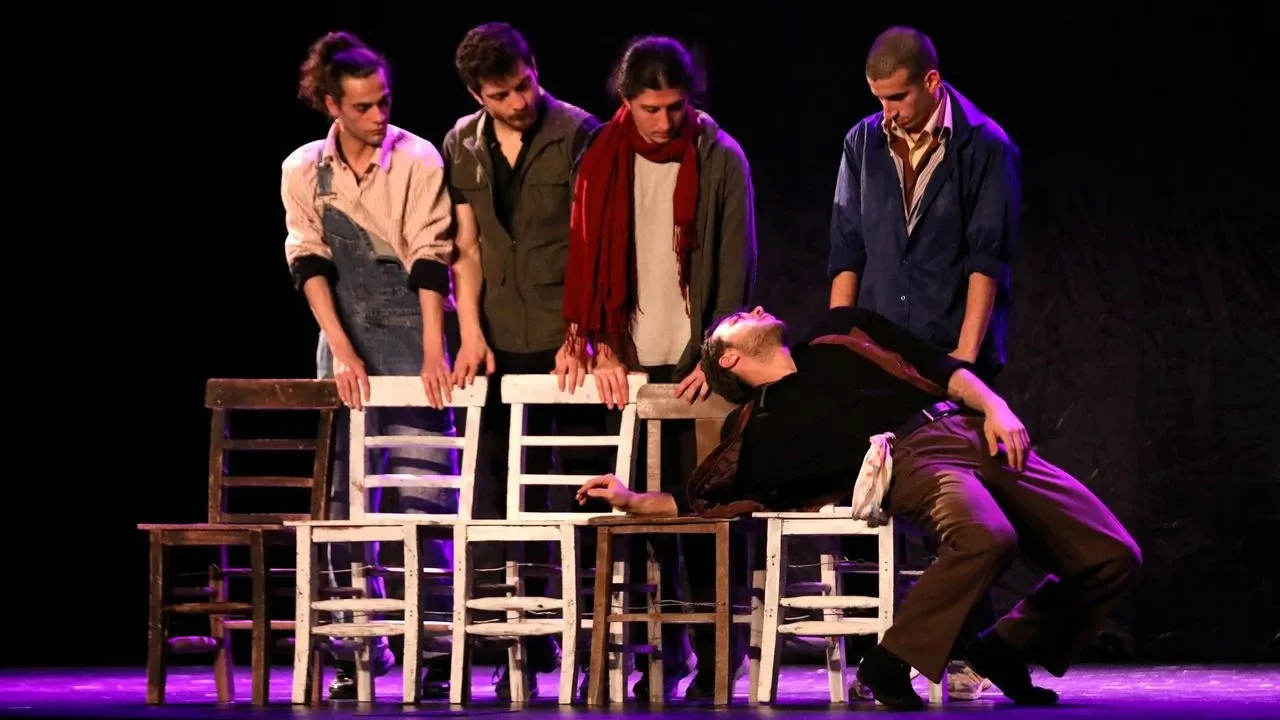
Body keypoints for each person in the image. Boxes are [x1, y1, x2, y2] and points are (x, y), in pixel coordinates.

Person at [575, 306, 1143, 711]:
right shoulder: (756, 435)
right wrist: (630, 497)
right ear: (729, 355)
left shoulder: (839, 331)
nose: (759, 307)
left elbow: (938, 366)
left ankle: (1005, 647)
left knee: (1112, 556)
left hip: (971, 428)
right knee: (985, 535)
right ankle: (889, 662)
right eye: (742, 315)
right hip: (907, 458)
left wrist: (995, 407)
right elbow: (699, 498)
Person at [281, 31, 484, 700]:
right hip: (343, 341)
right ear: (332, 106)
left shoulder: (417, 157)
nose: (378, 116)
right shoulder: (304, 169)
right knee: (345, 506)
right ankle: (356, 648)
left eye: (384, 102)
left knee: (424, 496)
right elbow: (309, 261)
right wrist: (340, 350)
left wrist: (432, 350)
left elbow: (430, 257)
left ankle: (435, 647)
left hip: (411, 333)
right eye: (363, 106)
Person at [827, 25, 1024, 697]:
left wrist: (963, 359)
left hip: (950, 349)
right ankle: (869, 655)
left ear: (931, 83)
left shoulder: (984, 145)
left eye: (898, 98)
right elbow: (847, 249)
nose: (888, 111)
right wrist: (838, 344)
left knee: (958, 503)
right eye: (879, 99)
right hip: (879, 350)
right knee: (868, 488)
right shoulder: (862, 143)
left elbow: (986, 258)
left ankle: (968, 653)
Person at [562, 34, 758, 700]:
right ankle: (662, 653)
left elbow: (735, 267)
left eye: (675, 106)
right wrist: (600, 345)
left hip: (697, 366)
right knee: (637, 521)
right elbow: (585, 254)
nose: (665, 121)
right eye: (651, 108)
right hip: (627, 365)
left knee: (701, 514)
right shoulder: (601, 156)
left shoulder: (719, 156)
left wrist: (715, 353)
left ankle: (717, 655)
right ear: (626, 101)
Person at [439, 21, 603, 699]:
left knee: (587, 491)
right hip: (499, 339)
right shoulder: (460, 143)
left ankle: (595, 640)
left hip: (565, 337)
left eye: (524, 84)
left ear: (535, 68)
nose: (519, 101)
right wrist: (470, 333)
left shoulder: (578, 132)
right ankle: (524, 645)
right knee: (505, 497)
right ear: (477, 95)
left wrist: (581, 330)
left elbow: (593, 239)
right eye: (502, 94)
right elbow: (466, 246)